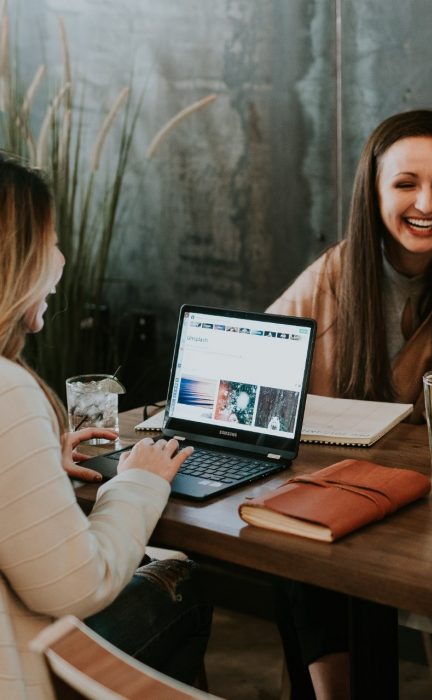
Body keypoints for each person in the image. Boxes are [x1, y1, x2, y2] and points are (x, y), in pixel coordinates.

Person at [267, 108, 432, 700]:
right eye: (406, 183)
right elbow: (266, 354)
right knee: (297, 543)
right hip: (341, 500)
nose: (427, 203)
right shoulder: (339, 270)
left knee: (311, 550)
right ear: (374, 191)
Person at [0, 154, 212, 698]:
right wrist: (138, 481)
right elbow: (76, 586)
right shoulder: (7, 389)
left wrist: (39, 466)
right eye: (48, 241)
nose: (62, 258)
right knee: (185, 583)